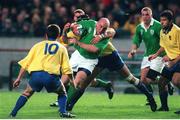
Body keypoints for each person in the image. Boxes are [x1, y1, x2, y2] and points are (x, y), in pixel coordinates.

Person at [65, 17, 157, 112]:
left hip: (111, 56)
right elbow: (67, 39)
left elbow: (112, 31)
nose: (101, 29)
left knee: (130, 78)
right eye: (100, 27)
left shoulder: (102, 30)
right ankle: (69, 106)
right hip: (98, 59)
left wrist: (101, 36)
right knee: (84, 83)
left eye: (103, 28)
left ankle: (150, 97)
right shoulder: (84, 28)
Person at [9, 24, 75, 118]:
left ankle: (13, 113)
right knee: (62, 92)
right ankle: (63, 112)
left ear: (46, 35)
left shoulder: (37, 46)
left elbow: (25, 63)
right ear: (58, 35)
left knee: (27, 93)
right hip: (51, 77)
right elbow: (67, 69)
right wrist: (72, 81)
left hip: (36, 76)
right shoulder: (61, 48)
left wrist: (18, 78)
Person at [128, 7, 174, 110]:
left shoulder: (158, 26)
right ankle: (166, 82)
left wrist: (163, 54)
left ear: (151, 15)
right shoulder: (139, 27)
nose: (145, 17)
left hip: (159, 55)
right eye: (143, 14)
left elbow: (165, 42)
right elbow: (136, 41)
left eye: (147, 14)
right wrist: (133, 50)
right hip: (147, 55)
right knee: (143, 80)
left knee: (149, 79)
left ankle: (165, 82)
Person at [149, 10, 180, 114]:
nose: (161, 22)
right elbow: (163, 46)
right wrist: (156, 55)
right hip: (171, 61)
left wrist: (174, 61)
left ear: (171, 21)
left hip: (178, 60)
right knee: (162, 82)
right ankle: (164, 107)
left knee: (176, 81)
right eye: (160, 20)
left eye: (164, 20)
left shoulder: (177, 31)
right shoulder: (163, 31)